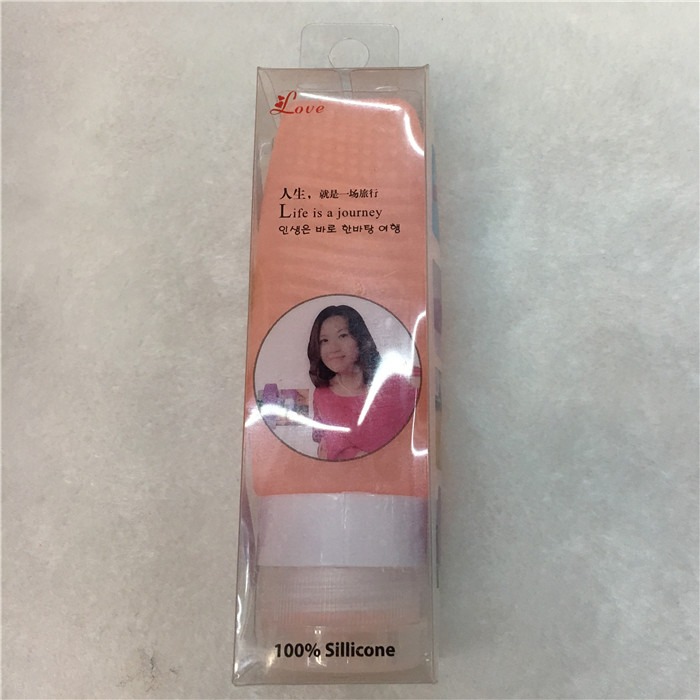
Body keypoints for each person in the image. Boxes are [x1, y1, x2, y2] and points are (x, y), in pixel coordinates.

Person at [308, 305, 418, 461]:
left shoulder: (398, 381)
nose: (333, 348)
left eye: (343, 336)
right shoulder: (322, 395)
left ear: (360, 339)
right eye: (324, 340)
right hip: (353, 474)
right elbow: (324, 444)